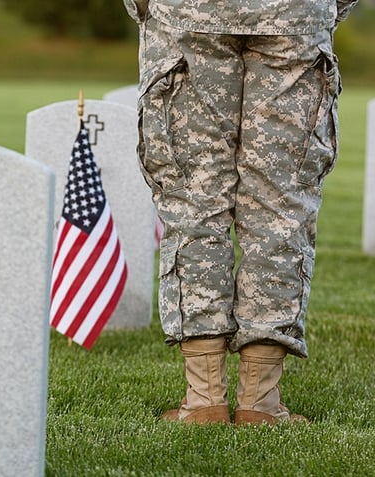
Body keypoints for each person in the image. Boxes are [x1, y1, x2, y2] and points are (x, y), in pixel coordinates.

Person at [122, 0, 358, 425]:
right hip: (293, 16)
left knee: (195, 198)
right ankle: (260, 402)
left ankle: (204, 398)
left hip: (187, 15)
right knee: (280, 206)